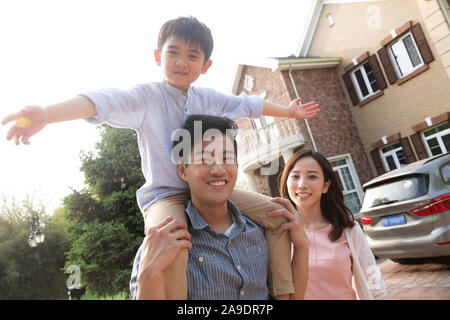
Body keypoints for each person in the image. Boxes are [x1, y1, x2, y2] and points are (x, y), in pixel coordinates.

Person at [1, 16, 319, 299]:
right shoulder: (146, 98)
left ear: (205, 65)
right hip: (165, 195)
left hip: (210, 185)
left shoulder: (207, 98)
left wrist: (288, 111)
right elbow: (99, 102)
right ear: (158, 56)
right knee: (174, 242)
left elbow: (247, 104)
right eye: (173, 52)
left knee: (279, 214)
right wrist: (46, 112)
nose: (181, 62)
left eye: (192, 56)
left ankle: (283, 294)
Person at [130, 114, 309, 300]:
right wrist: (148, 272)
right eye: (204, 159)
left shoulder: (260, 232)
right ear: (183, 170)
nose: (218, 169)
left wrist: (302, 245)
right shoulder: (163, 245)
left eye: (226, 158)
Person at [279, 149, 387, 300]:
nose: (302, 184)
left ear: (326, 185)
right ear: (286, 182)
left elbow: (374, 283)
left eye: (312, 177)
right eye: (295, 176)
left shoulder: (349, 230)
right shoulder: (279, 232)